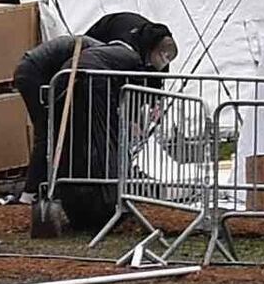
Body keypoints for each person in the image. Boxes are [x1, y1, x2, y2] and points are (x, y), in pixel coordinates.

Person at [16, 13, 178, 236]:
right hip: (39, 74)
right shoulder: (108, 55)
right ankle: (31, 192)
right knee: (48, 133)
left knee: (59, 134)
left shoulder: (108, 53)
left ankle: (49, 187)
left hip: (58, 76)